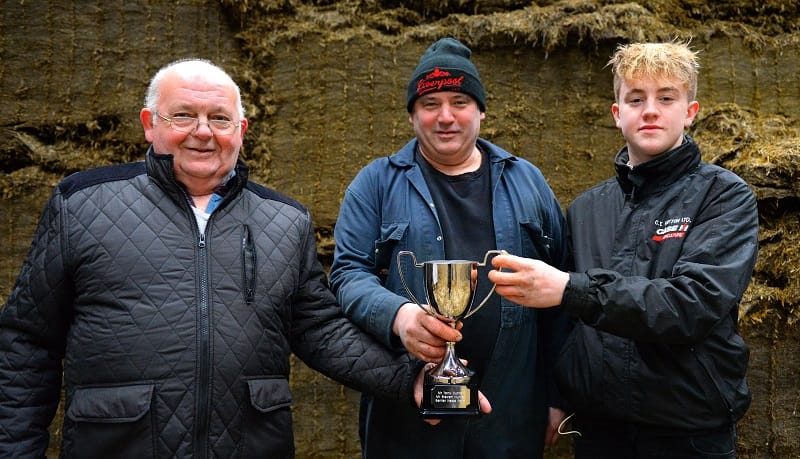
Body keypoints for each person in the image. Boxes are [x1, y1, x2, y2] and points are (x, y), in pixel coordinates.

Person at [0, 58, 440, 458]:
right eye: (184, 116)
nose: (203, 131)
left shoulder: (285, 221)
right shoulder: (82, 204)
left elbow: (321, 330)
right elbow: (27, 341)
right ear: (150, 124)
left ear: (241, 131)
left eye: (219, 118)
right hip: (118, 444)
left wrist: (409, 378)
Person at [489, 41, 759, 458]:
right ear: (618, 114)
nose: (650, 110)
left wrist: (570, 289)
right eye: (636, 99)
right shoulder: (585, 209)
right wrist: (558, 394)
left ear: (690, 111)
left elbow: (692, 305)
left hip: (688, 433)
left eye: (666, 98)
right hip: (600, 432)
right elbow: (564, 324)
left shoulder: (723, 197)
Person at [329, 37, 570, 458]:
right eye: (430, 103)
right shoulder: (375, 184)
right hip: (409, 414)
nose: (446, 117)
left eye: (459, 101)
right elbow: (347, 274)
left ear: (480, 111)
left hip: (511, 413)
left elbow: (562, 291)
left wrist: (559, 394)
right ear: (411, 116)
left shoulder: (528, 181)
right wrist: (400, 317)